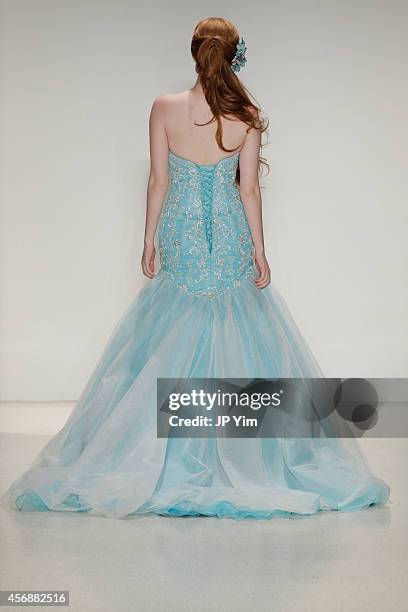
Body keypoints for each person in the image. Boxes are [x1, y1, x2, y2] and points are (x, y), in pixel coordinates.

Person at [2, 17, 390, 520]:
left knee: (169, 334)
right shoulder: (246, 114)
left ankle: (162, 452)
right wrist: (259, 250)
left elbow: (159, 181)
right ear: (233, 56)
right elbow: (248, 190)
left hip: (181, 230)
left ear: (194, 53)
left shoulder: (164, 108)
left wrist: (147, 239)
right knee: (241, 336)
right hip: (229, 232)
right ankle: (243, 454)